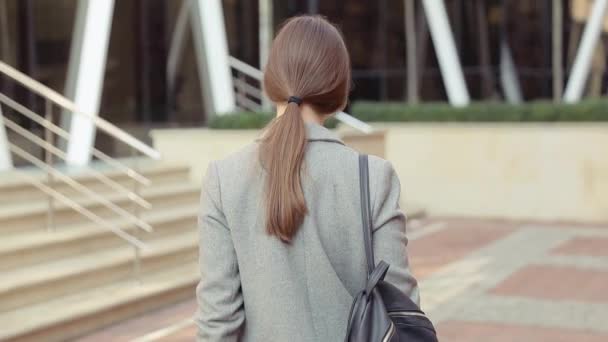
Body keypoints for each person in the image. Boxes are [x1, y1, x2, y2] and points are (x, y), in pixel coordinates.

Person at [195, 15, 419, 342]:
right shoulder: (374, 177)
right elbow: (403, 309)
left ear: (270, 82)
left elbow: (217, 324)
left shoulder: (222, 180)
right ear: (339, 90)